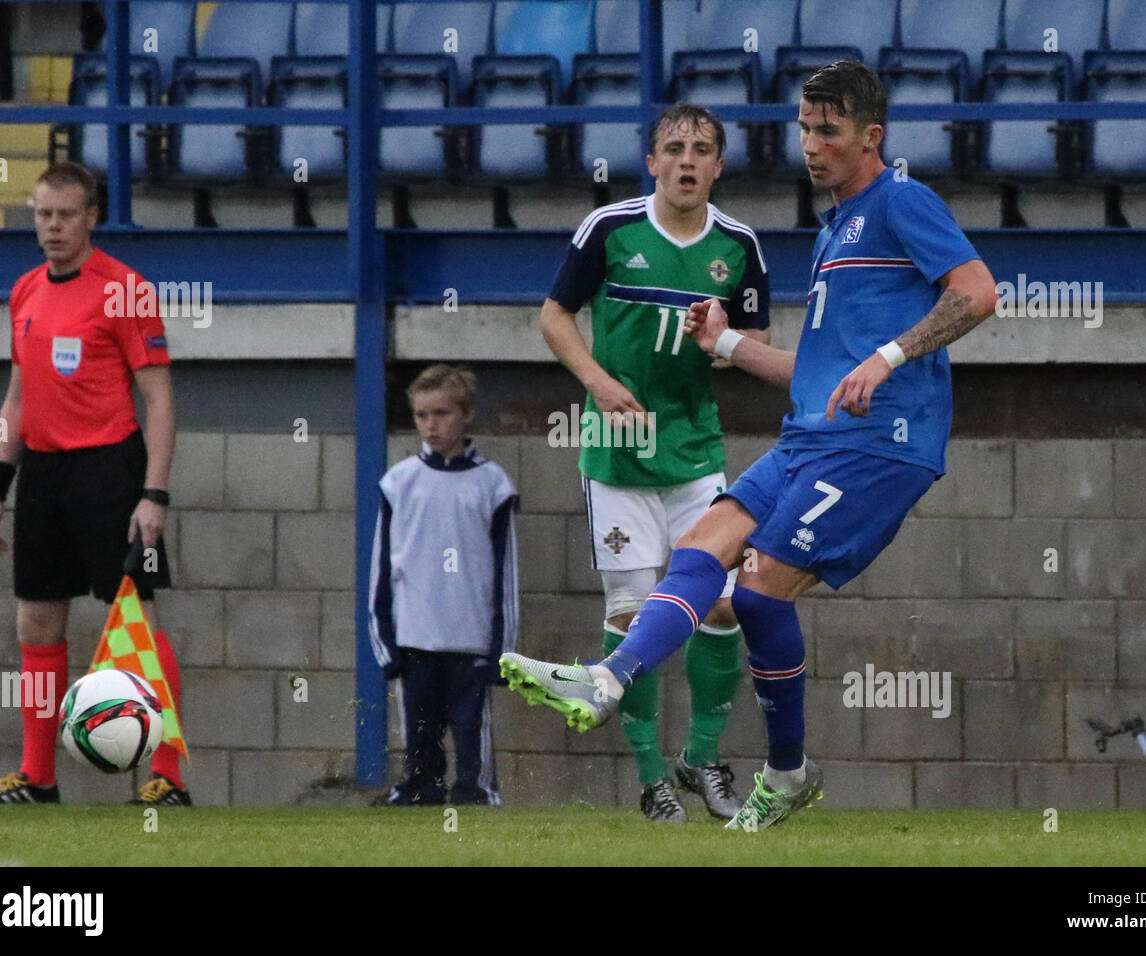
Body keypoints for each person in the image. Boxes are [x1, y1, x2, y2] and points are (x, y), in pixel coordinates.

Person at [500, 61, 998, 830]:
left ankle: (756, 757)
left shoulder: (903, 201)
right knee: (707, 551)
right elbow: (814, 375)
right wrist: (724, 339)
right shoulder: (837, 228)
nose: (810, 144)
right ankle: (625, 685)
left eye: (827, 130)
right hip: (814, 436)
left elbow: (977, 291)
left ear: (873, 136)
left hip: (879, 447)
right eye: (803, 128)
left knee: (761, 591)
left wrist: (889, 357)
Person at [539, 103, 771, 822]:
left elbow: (758, 340)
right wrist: (600, 385)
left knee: (727, 606)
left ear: (719, 165)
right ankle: (650, 777)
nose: (687, 160)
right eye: (674, 147)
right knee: (634, 617)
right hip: (618, 461)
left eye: (702, 149)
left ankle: (701, 759)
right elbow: (553, 315)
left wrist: (723, 337)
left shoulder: (737, 246)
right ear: (652, 161)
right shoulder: (608, 230)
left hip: (695, 453)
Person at [0, 161, 188, 806]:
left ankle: (168, 779)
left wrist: (153, 496)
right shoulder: (24, 292)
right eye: (43, 214)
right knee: (36, 625)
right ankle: (39, 779)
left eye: (66, 214)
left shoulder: (125, 289)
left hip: (110, 470)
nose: (53, 227)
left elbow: (160, 400)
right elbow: (16, 398)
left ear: (91, 215)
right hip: (43, 472)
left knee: (138, 624)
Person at [369, 365, 519, 807]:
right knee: (420, 745)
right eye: (421, 415)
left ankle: (477, 793)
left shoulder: (493, 485)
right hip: (415, 638)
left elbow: (506, 576)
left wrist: (501, 653)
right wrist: (385, 644)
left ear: (467, 414)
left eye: (442, 413)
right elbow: (381, 569)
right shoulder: (398, 483)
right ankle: (418, 791)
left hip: (470, 642)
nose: (431, 425)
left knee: (473, 746)